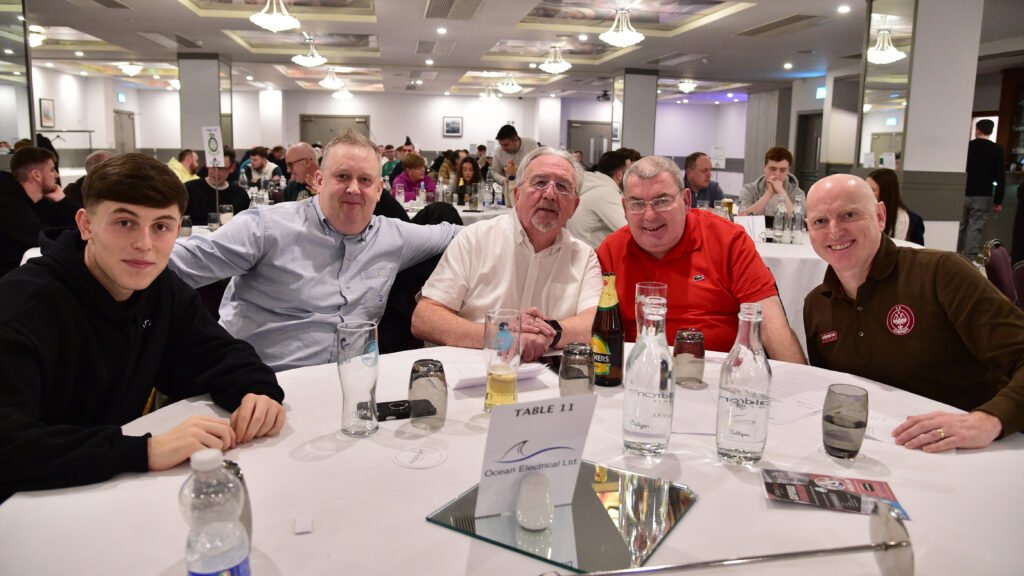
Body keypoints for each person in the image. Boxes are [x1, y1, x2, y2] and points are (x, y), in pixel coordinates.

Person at [0, 153, 286, 503]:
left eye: (161, 226)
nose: (145, 244)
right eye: (125, 223)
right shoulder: (23, 305)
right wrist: (145, 451)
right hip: (28, 508)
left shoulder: (160, 290)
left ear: (177, 231)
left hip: (111, 490)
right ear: (86, 224)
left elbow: (219, 355)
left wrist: (257, 391)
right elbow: (10, 444)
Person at [168, 130, 460, 371]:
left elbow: (460, 234)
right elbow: (177, 266)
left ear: (379, 188)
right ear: (319, 181)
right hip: (263, 385)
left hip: (351, 387)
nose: (354, 189)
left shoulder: (394, 235)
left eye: (365, 180)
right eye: (342, 177)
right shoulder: (268, 228)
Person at [803, 174, 1024, 452]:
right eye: (820, 221)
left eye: (849, 215)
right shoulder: (817, 305)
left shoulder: (941, 273)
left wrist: (989, 420)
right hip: (882, 453)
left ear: (880, 216)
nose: (835, 231)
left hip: (970, 452)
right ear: (808, 229)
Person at [596, 156, 805, 362]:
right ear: (625, 209)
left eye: (662, 201)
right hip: (637, 374)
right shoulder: (611, 251)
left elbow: (770, 325)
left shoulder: (728, 241)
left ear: (686, 201)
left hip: (714, 378)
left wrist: (795, 384)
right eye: (637, 204)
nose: (649, 215)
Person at [411, 147, 602, 363]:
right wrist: (500, 336)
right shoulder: (475, 239)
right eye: (539, 182)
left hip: (550, 381)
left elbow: (596, 322)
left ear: (574, 207)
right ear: (517, 194)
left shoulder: (583, 257)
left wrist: (550, 332)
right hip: (475, 374)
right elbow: (425, 318)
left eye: (563, 187)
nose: (550, 194)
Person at [0, 147, 78, 277]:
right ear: (36, 175)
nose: (56, 175)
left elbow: (77, 224)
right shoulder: (6, 203)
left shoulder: (40, 201)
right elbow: (41, 237)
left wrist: (62, 201)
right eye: (52, 170)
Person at [958, 119, 1005, 261]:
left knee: (959, 227)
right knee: (975, 229)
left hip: (963, 191)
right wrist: (998, 200)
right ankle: (969, 260)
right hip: (983, 194)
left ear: (977, 129)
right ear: (991, 131)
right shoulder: (997, 150)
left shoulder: (967, 147)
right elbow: (1000, 177)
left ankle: (954, 255)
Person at [566, 149, 628, 249]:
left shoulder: (593, 185)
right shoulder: (606, 193)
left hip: (581, 251)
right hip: (591, 256)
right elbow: (630, 231)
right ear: (620, 175)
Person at [185, 147, 249, 225]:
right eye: (213, 167)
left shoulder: (240, 195)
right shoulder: (189, 189)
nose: (216, 172)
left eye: (222, 168)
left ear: (232, 168)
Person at [866, 168, 925, 245]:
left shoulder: (903, 218)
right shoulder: (865, 209)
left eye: (872, 190)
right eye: (866, 188)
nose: (866, 192)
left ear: (885, 193)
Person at [739, 146, 804, 216]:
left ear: (788, 170)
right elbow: (743, 216)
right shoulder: (749, 190)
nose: (777, 174)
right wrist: (769, 193)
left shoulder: (798, 193)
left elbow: (797, 219)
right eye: (773, 169)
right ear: (765, 167)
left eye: (782, 170)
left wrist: (781, 191)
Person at [491, 124, 539, 192]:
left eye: (506, 145)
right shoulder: (499, 151)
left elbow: (538, 168)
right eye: (500, 144)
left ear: (515, 139)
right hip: (508, 189)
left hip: (529, 188)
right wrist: (503, 180)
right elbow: (494, 172)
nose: (502, 148)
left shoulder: (531, 145)